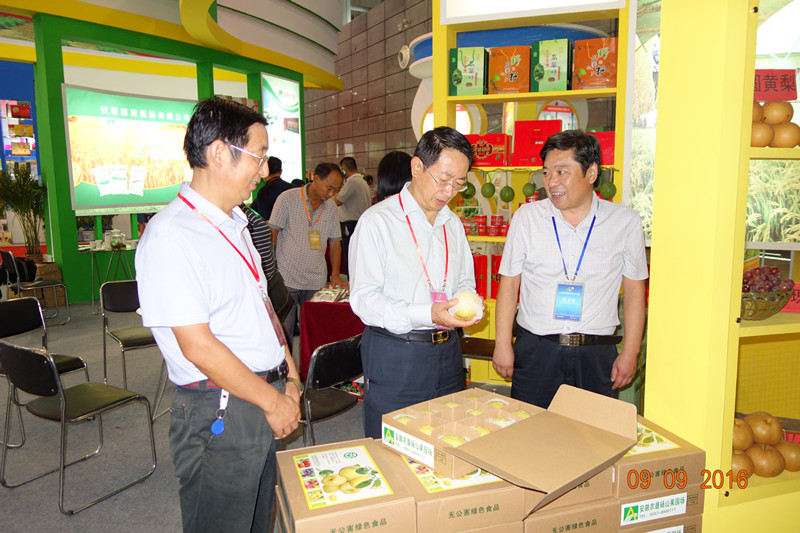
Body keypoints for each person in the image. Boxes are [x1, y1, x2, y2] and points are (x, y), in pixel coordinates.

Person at [135, 97, 301, 533]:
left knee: (258, 520)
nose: (264, 171)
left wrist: (290, 376)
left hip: (263, 392)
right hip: (221, 406)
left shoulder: (236, 224)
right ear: (219, 152)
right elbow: (198, 347)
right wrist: (273, 401)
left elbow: (263, 310)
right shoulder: (172, 235)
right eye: (258, 156)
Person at [492, 130, 648, 408]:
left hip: (597, 353)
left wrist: (630, 352)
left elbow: (635, 291)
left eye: (562, 172)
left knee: (595, 431)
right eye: (546, 173)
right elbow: (509, 283)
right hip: (537, 350)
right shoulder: (527, 218)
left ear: (591, 173)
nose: (552, 182)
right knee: (532, 429)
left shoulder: (624, 222)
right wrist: (502, 343)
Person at [349, 127, 481, 439]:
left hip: (448, 351)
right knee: (393, 445)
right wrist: (428, 313)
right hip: (397, 353)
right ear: (417, 167)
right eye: (443, 179)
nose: (449, 191)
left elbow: (465, 279)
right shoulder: (377, 222)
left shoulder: (452, 224)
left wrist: (467, 304)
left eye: (458, 183)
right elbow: (364, 300)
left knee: (447, 439)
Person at [270, 162, 346, 352]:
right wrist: (271, 269)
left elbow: (335, 242)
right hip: (286, 277)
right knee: (284, 332)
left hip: (315, 279)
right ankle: (287, 369)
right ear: (316, 178)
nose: (332, 194)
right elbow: (273, 233)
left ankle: (309, 368)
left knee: (313, 333)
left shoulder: (331, 207)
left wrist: (335, 274)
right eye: (329, 188)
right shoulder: (287, 198)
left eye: (336, 190)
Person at [241, 203, 293, 325]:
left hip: (269, 278)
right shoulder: (227, 212)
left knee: (279, 324)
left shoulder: (240, 208)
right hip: (257, 285)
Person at [334, 156, 371, 275]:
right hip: (358, 223)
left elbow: (337, 201)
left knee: (350, 257)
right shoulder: (362, 181)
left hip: (350, 225)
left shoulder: (352, 182)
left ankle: (352, 282)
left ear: (343, 170)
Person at [254, 156, 293, 221]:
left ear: (266, 171)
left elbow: (264, 218)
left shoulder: (263, 191)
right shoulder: (293, 188)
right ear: (281, 171)